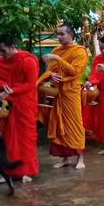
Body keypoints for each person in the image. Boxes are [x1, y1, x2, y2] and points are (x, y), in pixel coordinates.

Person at [0, 34, 39, 182]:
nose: (1, 54)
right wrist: (3, 87)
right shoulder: (1, 61)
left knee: (26, 139)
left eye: (3, 50)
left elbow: (30, 84)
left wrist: (12, 91)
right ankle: (9, 170)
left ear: (13, 47)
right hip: (7, 106)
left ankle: (26, 171)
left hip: (24, 104)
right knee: (8, 138)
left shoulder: (28, 61)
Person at [38, 23, 89, 170]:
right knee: (59, 125)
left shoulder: (80, 51)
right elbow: (50, 71)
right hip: (58, 92)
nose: (58, 37)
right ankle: (65, 157)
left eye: (62, 34)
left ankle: (80, 158)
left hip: (71, 93)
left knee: (75, 125)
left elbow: (74, 72)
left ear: (70, 35)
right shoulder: (57, 50)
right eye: (57, 34)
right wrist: (51, 76)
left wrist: (57, 59)